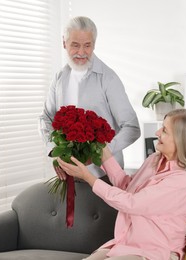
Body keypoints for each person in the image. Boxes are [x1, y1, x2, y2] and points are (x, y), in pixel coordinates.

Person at [57, 109, 186, 260]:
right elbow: (127, 187)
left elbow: (132, 203)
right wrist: (103, 152)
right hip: (125, 245)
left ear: (180, 140)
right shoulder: (155, 159)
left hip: (154, 253)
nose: (157, 132)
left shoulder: (184, 182)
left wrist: (88, 177)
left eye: (165, 130)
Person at [39, 16, 140, 178]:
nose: (81, 52)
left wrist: (99, 153)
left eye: (87, 45)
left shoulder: (108, 78)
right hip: (69, 176)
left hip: (105, 176)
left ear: (94, 44)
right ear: (64, 43)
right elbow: (46, 117)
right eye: (75, 45)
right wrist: (54, 150)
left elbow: (132, 128)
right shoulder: (59, 77)